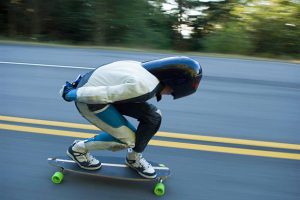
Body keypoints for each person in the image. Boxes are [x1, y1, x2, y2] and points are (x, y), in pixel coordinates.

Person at [60, 56, 202, 179]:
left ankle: (133, 159)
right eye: (173, 92)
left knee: (154, 117)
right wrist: (72, 93)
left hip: (106, 94)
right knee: (128, 140)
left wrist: (79, 81)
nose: (170, 94)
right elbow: (104, 92)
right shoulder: (143, 86)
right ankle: (77, 149)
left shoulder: (141, 68)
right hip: (91, 100)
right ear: (176, 85)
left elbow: (106, 74)